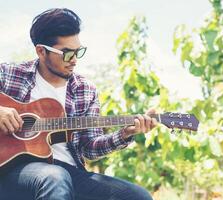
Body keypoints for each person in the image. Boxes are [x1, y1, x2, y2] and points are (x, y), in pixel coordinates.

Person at [0, 8, 157, 200]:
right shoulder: (9, 74)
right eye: (66, 53)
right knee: (55, 177)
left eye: (78, 52)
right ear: (41, 51)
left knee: (138, 196)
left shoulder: (85, 89)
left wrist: (125, 134)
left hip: (70, 172)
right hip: (11, 171)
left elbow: (89, 147)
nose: (74, 60)